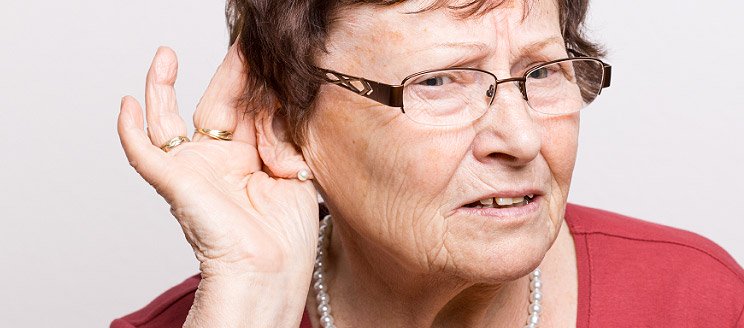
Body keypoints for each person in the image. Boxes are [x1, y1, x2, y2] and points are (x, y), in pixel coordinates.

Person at [111, 0, 744, 327]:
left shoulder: (699, 302)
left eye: (542, 71)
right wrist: (249, 301)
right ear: (284, 125)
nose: (521, 139)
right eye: (440, 82)